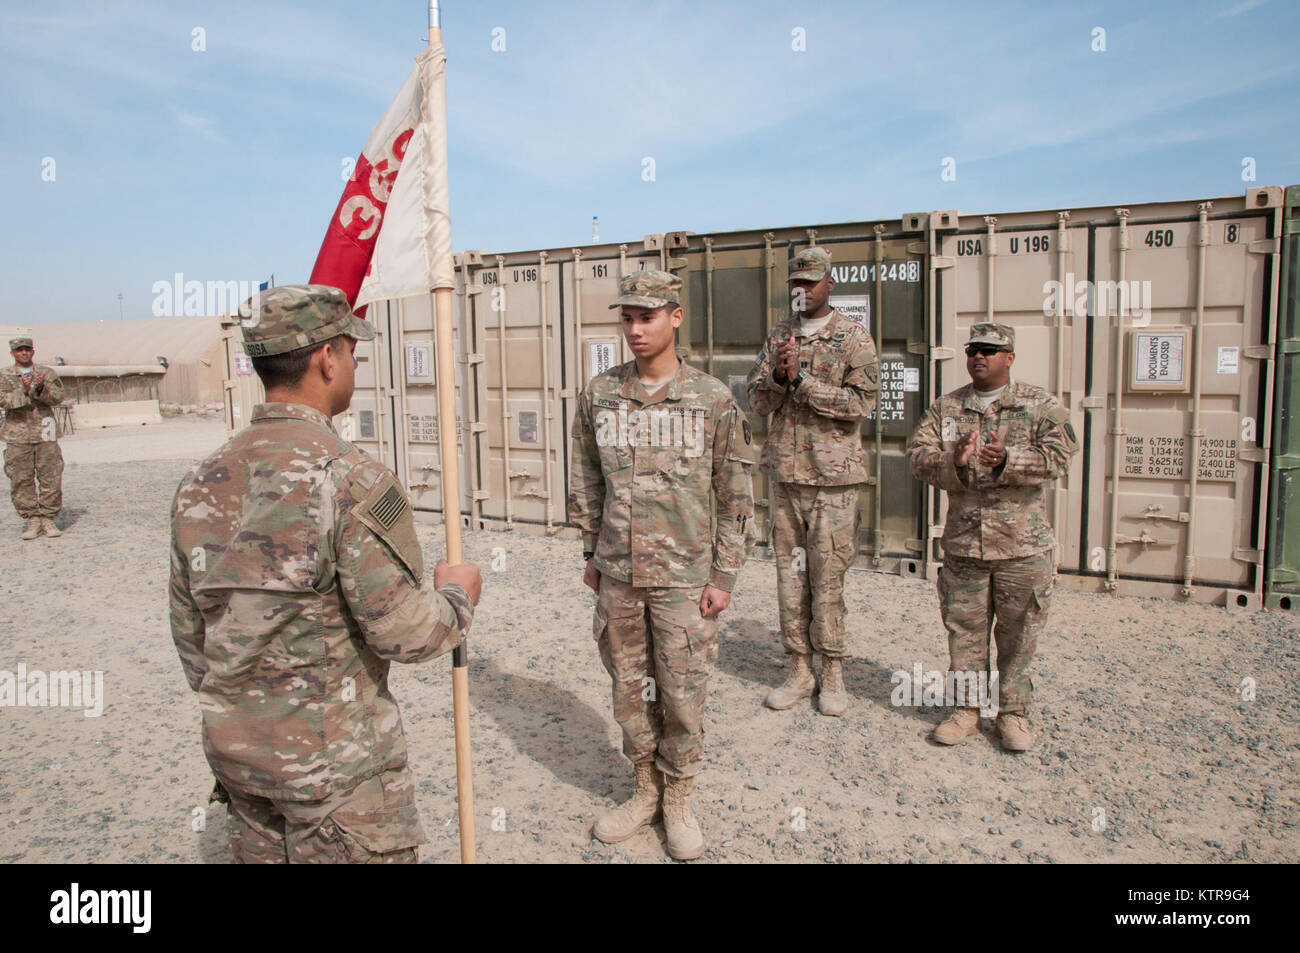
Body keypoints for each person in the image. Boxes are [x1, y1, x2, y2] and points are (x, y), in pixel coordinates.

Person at [168, 284, 483, 863]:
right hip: (338, 783)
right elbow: (407, 635)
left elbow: (194, 646)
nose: (354, 366)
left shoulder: (198, 482)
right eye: (353, 354)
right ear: (327, 358)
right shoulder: (351, 481)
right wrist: (457, 596)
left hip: (244, 771)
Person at [568, 269, 756, 860]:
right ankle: (644, 788)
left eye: (646, 316)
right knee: (629, 689)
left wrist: (724, 576)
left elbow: (735, 492)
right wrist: (590, 550)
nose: (634, 328)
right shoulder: (601, 394)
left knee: (682, 691)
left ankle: (679, 797)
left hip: (684, 577)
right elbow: (586, 476)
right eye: (626, 317)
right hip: (619, 573)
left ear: (675, 317)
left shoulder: (711, 398)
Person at [905, 323, 1078, 752]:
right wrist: (952, 460)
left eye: (989, 350)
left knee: (1018, 635)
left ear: (1010, 357)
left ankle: (1013, 714)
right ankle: (966, 710)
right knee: (964, 631)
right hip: (965, 545)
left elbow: (1060, 457)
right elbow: (916, 457)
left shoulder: (1040, 405)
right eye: (973, 350)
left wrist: (1008, 459)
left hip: (1023, 546)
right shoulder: (947, 408)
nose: (979, 356)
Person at [746, 247, 879, 716]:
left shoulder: (853, 338)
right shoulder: (779, 335)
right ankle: (800, 670)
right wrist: (779, 379)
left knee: (828, 579)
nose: (801, 290)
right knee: (791, 576)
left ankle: (834, 671)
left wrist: (801, 381)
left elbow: (860, 404)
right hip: (786, 476)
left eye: (810, 282)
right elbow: (756, 402)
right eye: (794, 284)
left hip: (833, 481)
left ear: (829, 284)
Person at [1, 337, 65, 540]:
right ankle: (31, 519)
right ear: (12, 353)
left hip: (45, 432)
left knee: (51, 475)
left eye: (27, 349)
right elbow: (3, 400)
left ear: (33, 351)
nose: (24, 353)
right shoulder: (4, 375)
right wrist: (25, 392)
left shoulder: (46, 373)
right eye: (19, 350)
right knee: (20, 478)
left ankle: (48, 518)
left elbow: (58, 397)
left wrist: (39, 390)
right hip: (17, 434)